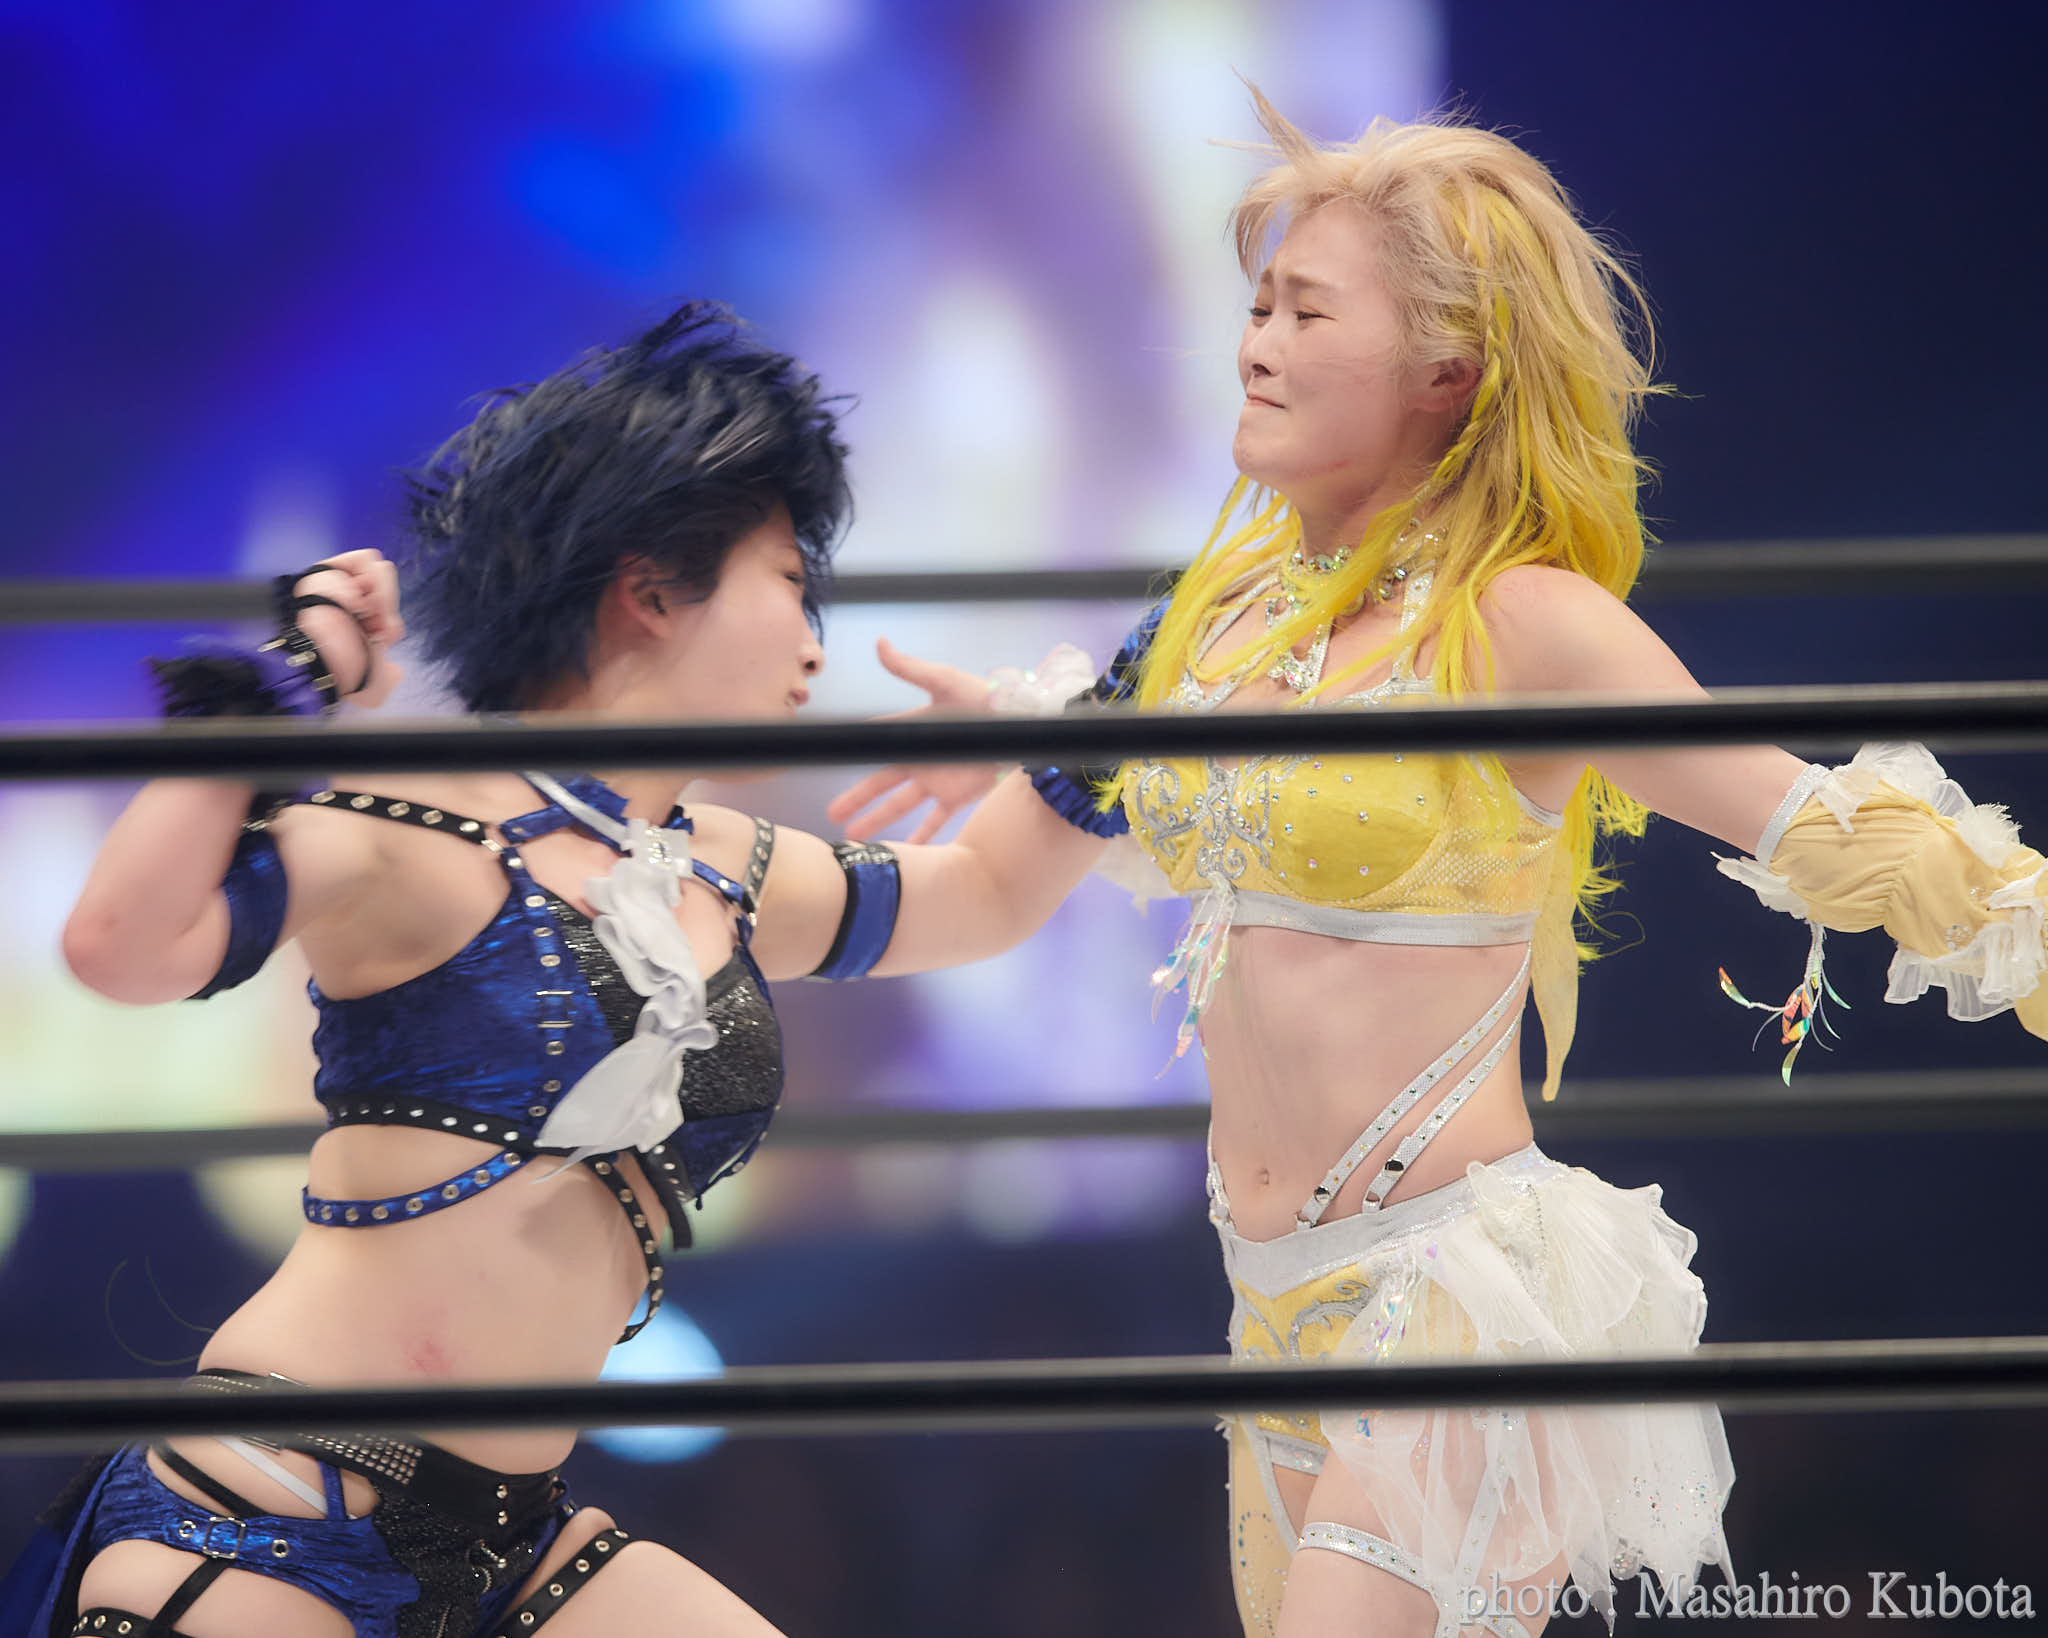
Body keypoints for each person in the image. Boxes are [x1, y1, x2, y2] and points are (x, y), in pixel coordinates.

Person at [829, 94, 2048, 1637]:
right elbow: (993, 887)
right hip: (1271, 1316)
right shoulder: (1210, 626)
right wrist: (712, 878)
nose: (1257, 343)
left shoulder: (1526, 627)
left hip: (1458, 1299)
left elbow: (1818, 828)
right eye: (1257, 306)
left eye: (1308, 310)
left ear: (1447, 369)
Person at [7, 303, 1108, 1638]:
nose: (817, 641)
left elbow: (984, 894)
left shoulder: (729, 866)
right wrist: (282, 691)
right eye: (788, 581)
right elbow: (120, 945)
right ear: (652, 589)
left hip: (507, 1536)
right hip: (268, 1512)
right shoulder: (421, 824)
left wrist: (1091, 721)